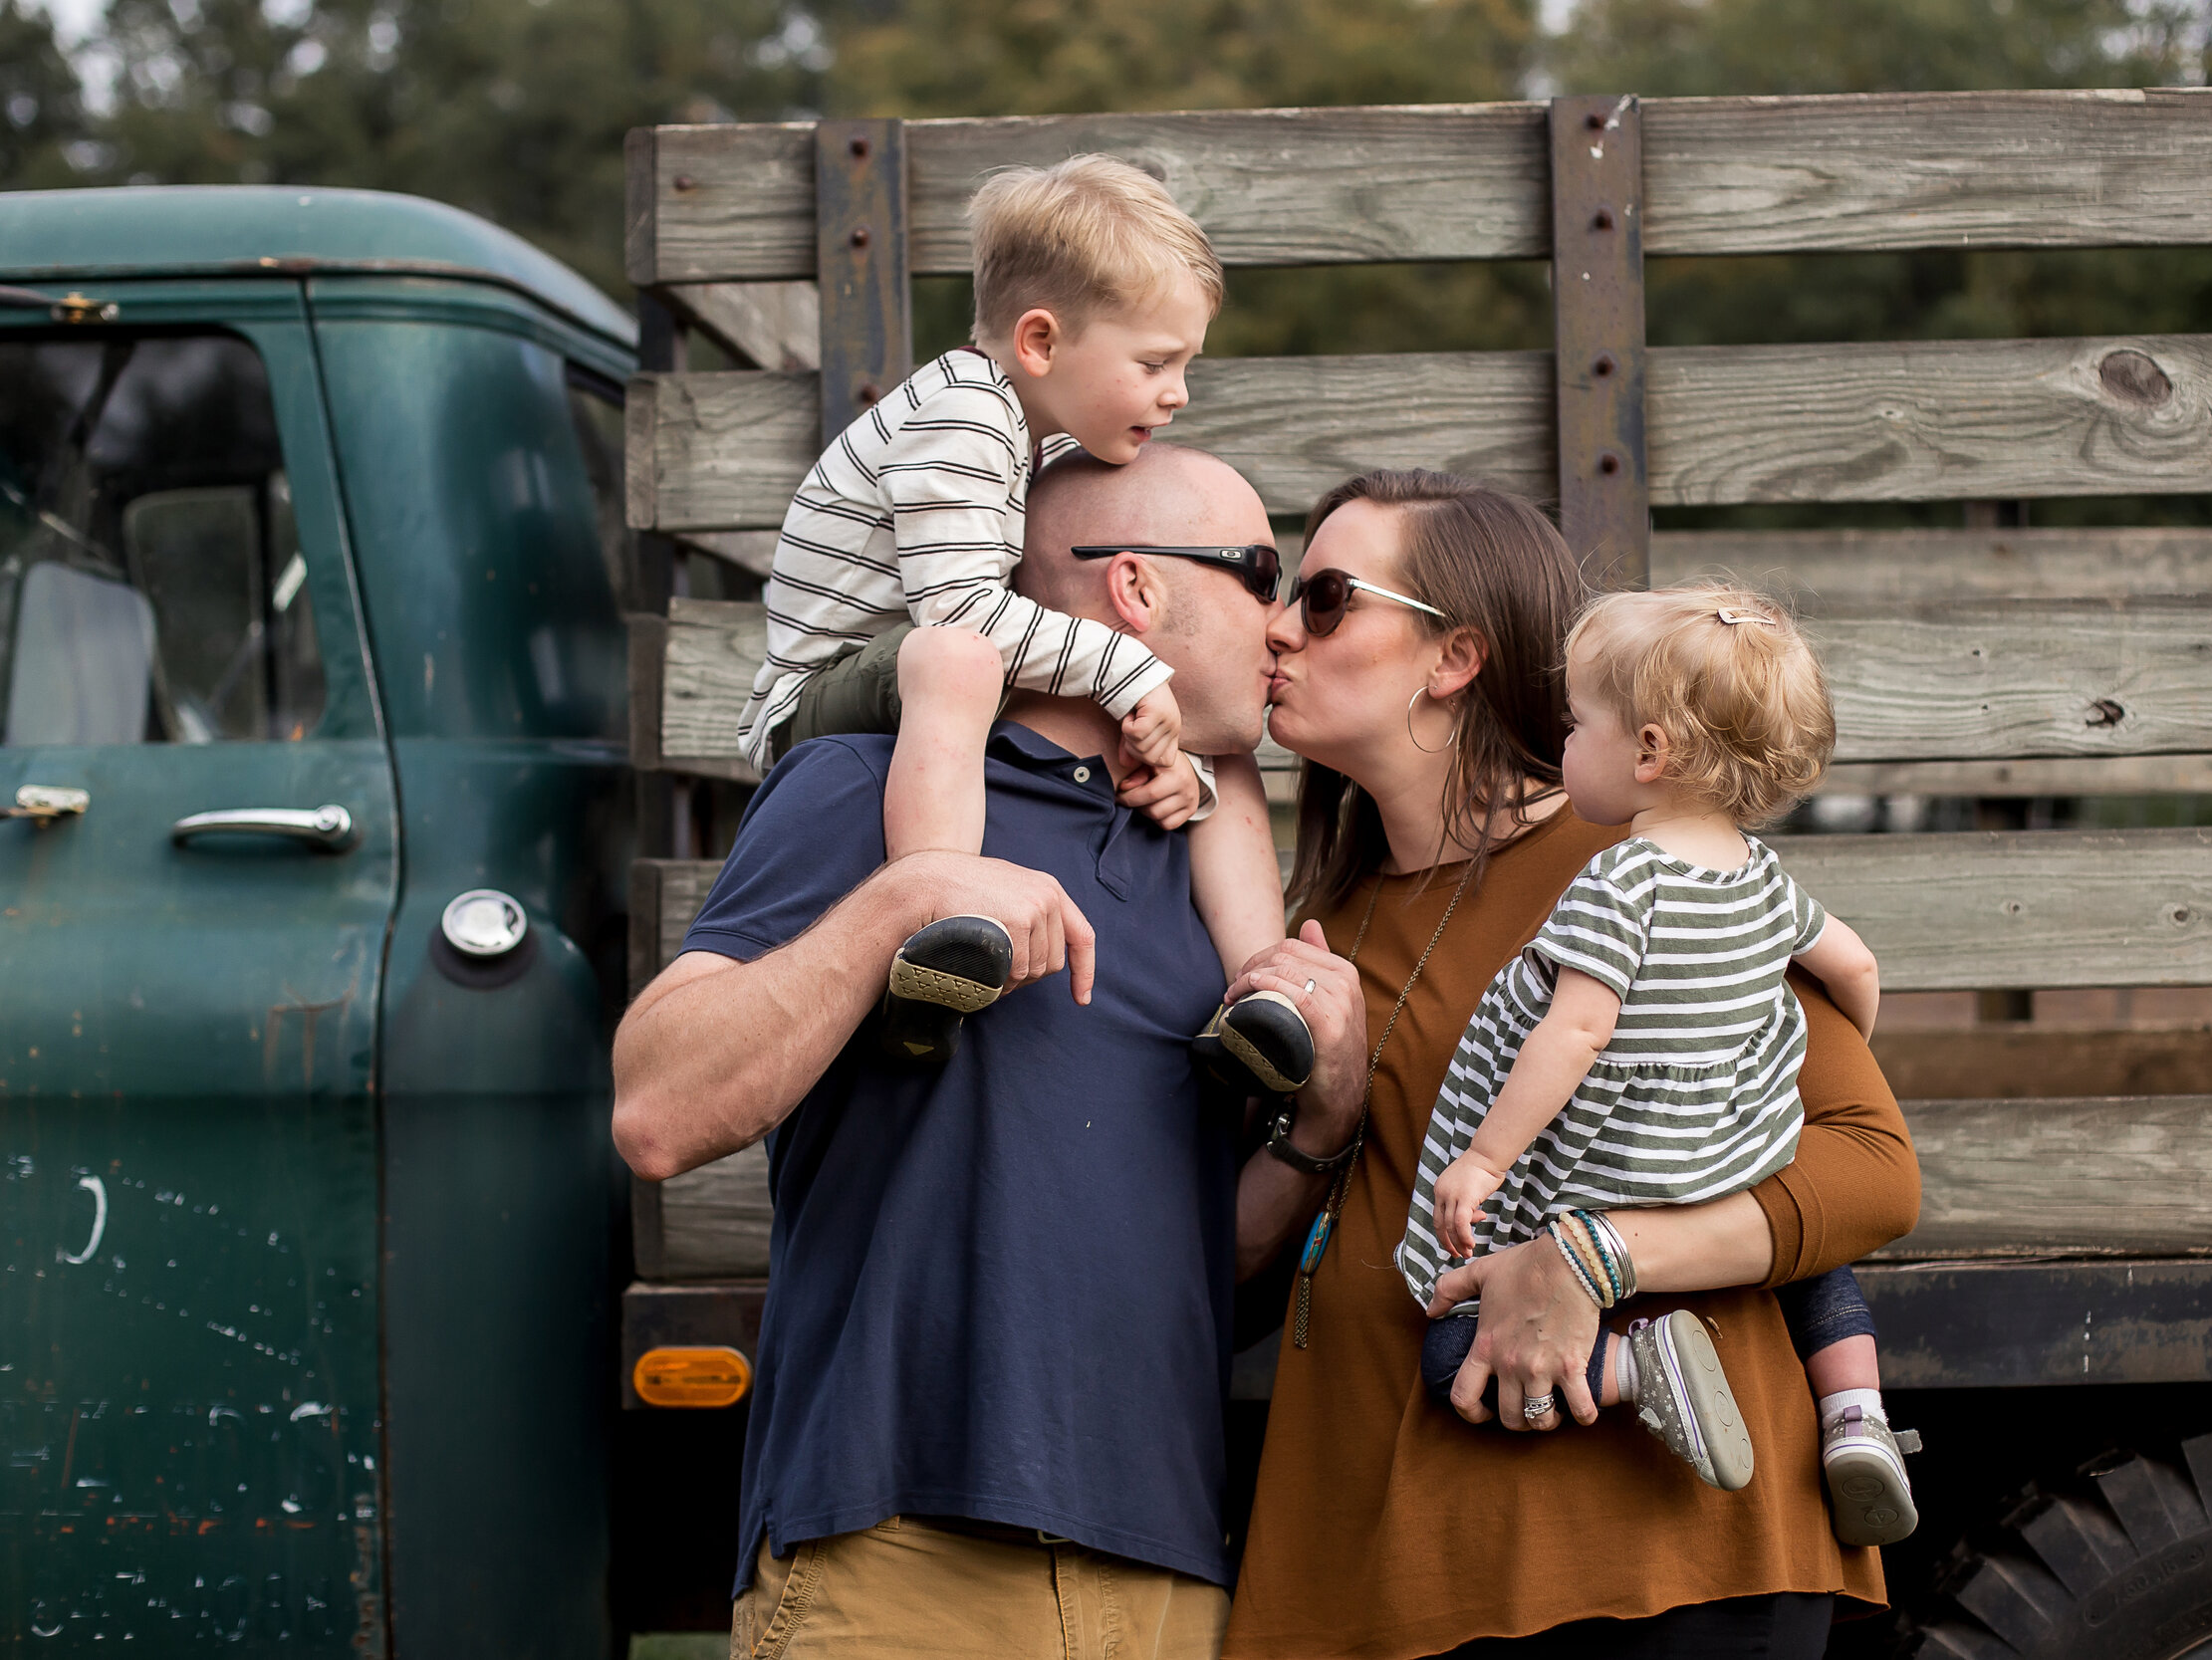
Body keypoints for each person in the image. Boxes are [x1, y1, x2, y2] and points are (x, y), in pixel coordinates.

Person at [614, 445, 1372, 1660]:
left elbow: (1205, 1250)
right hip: (901, 1552)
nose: (1284, 625)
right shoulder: (868, 778)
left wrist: (1323, 1126)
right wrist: (902, 895)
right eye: (1262, 575)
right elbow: (657, 1105)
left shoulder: (1211, 868)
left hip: (1168, 1567)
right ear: (1137, 590)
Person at [1218, 470, 1922, 1660]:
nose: (1278, 624)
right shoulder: (1320, 915)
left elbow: (1870, 1169)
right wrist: (1321, 1126)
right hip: (1380, 1569)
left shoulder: (1644, 864)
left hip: (1639, 1561)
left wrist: (1593, 1258)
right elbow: (1242, 1278)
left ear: (1453, 658)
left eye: (1327, 596)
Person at [731, 152, 1308, 1087]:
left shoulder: (1030, 434)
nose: (1179, 393)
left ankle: (1261, 993)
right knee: (961, 660)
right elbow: (960, 616)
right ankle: (936, 924)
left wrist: (1181, 767)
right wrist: (1128, 669)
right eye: (1157, 362)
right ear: (1039, 341)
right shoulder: (964, 416)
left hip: (924, 669)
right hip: (824, 692)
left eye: (1185, 364)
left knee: (1198, 748)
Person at [1398, 583, 1916, 1547]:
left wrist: (1485, 1159)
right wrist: (1810, 1045)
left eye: (1575, 723)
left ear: (1647, 752)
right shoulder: (1761, 878)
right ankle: (1856, 1412)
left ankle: (1641, 1369)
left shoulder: (1620, 879)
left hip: (1614, 1183)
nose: (1562, 745)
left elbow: (1574, 1031)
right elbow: (1856, 965)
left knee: (1446, 1355)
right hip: (1729, 1156)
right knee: (1816, 1265)